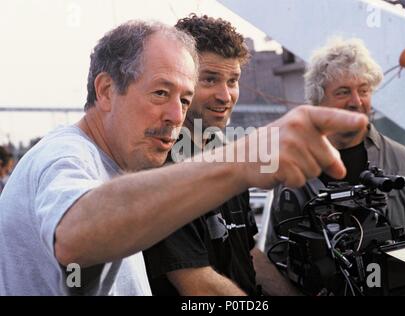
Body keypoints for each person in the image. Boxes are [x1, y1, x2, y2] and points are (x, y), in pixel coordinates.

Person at [0, 21, 368, 296]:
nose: (177, 117)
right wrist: (239, 161)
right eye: (161, 93)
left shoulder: (123, 165)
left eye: (185, 99)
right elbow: (73, 236)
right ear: (107, 90)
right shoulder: (64, 155)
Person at [144, 14, 299, 296]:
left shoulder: (226, 156)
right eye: (210, 79)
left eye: (233, 80)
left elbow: (248, 252)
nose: (225, 95)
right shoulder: (160, 170)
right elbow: (197, 285)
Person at [265, 37, 405, 258]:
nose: (356, 102)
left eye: (364, 90)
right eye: (343, 92)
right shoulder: (293, 168)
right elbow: (278, 254)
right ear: (319, 101)